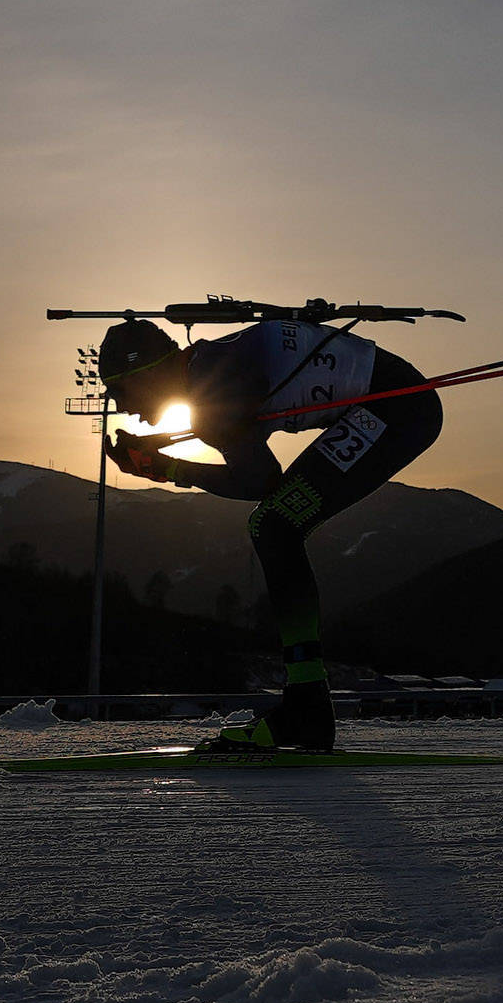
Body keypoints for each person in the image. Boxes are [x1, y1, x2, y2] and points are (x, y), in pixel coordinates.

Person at [99, 309, 441, 755]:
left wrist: (169, 469)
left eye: (119, 390)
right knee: (273, 525)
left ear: (145, 373)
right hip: (391, 403)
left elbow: (258, 481)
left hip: (396, 410)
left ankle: (308, 710)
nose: (124, 408)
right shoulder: (210, 367)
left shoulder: (211, 393)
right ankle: (307, 706)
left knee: (273, 525)